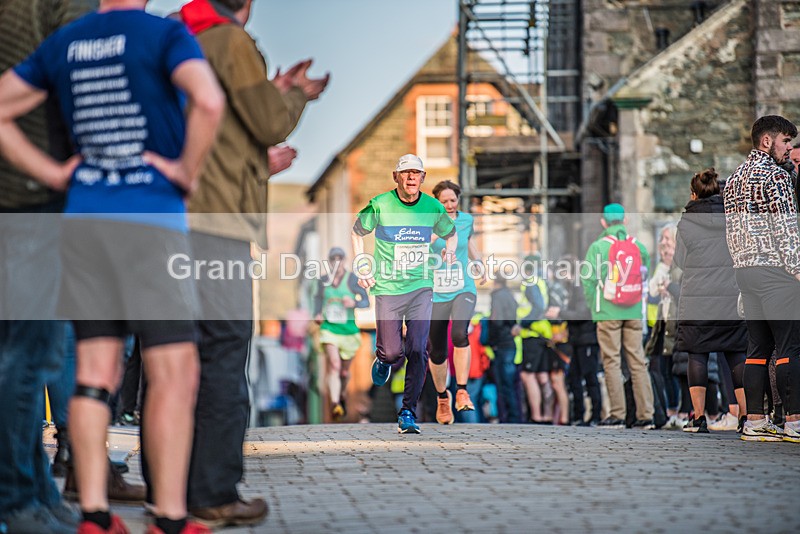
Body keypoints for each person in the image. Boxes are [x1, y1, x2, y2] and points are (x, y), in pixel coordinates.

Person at [0, 0, 226, 531]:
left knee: (94, 374)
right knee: (174, 372)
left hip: (84, 224)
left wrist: (55, 175)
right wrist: (184, 171)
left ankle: (96, 516)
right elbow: (209, 101)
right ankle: (169, 519)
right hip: (151, 223)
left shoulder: (69, 41)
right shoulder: (161, 36)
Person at [173, 0, 329, 526]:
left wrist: (275, 87)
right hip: (219, 226)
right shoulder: (230, 41)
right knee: (223, 356)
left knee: (173, 359)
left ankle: (169, 484)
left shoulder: (176, 34)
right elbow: (264, 125)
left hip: (169, 219)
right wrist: (297, 99)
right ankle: (214, 491)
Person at [0, 1, 98, 529]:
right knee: (26, 358)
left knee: (25, 353)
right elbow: (82, 81)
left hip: (24, 197)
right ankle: (17, 499)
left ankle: (36, 489)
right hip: (29, 198)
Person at [352, 154, 457, 434]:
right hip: (388, 288)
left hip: (421, 287)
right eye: (406, 173)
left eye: (416, 173)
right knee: (393, 352)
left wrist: (450, 249)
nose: (411, 178)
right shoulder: (381, 205)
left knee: (418, 350)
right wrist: (363, 266)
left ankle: (408, 412)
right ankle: (383, 358)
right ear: (396, 177)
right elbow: (357, 231)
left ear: (423, 179)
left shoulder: (432, 207)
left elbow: (451, 233)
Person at [723, 115, 800, 443]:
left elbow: (728, 229)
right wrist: (797, 269)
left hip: (744, 269)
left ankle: (754, 419)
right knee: (789, 346)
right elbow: (786, 230)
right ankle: (794, 421)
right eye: (786, 141)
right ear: (767, 141)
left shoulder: (734, 178)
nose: (789, 148)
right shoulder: (776, 177)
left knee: (757, 347)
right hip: (776, 270)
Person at [674, 168, 748, 433]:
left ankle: (699, 418)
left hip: (697, 298)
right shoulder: (733, 217)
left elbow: (680, 261)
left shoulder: (686, 222)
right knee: (736, 353)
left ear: (694, 194)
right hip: (730, 294)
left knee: (698, 354)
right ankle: (745, 417)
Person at [583, 203, 654, 429]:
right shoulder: (639, 247)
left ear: (603, 222)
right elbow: (645, 275)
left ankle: (617, 414)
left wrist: (595, 308)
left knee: (611, 361)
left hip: (607, 311)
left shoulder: (598, 247)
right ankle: (646, 414)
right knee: (637, 361)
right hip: (633, 311)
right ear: (625, 221)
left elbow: (587, 280)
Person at [428, 180, 486, 424]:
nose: (450, 205)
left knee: (460, 334)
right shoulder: (429, 222)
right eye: (444, 202)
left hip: (463, 287)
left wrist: (479, 262)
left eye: (453, 201)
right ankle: (443, 398)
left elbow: (468, 242)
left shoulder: (466, 220)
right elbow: (420, 248)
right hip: (436, 291)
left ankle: (462, 390)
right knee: (437, 349)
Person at [313, 247, 369, 421]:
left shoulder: (352, 279)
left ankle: (342, 394)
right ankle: (335, 402)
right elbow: (317, 299)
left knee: (344, 372)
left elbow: (365, 301)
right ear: (329, 261)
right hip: (330, 329)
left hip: (349, 330)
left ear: (344, 261)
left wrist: (354, 302)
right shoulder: (323, 280)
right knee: (335, 365)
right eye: (333, 259)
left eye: (340, 258)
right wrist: (317, 313)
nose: (336, 262)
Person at [517, 255, 554, 424]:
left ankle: (536, 416)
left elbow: (538, 307)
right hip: (542, 333)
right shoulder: (540, 281)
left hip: (532, 334)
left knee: (528, 375)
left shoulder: (530, 282)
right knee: (542, 376)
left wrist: (523, 324)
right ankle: (547, 415)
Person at [487, 271, 522, 423]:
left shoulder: (497, 296)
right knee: (511, 384)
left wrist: (491, 340)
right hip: (510, 343)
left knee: (503, 384)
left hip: (501, 344)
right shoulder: (510, 295)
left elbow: (497, 320)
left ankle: (508, 418)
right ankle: (515, 416)